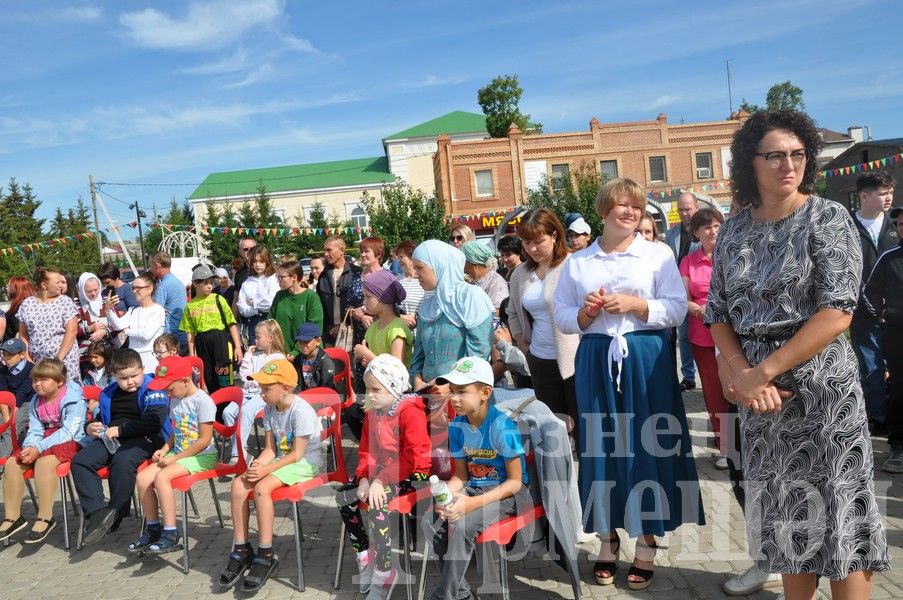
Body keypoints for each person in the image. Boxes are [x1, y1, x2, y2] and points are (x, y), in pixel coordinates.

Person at [706, 109, 889, 598]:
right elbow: (717, 310)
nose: (789, 164)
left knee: (842, 514)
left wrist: (760, 371)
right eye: (775, 155)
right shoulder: (733, 229)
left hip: (822, 389)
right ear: (751, 161)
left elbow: (838, 311)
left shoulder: (828, 218)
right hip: (762, 401)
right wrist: (741, 371)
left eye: (798, 154)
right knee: (788, 518)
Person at [553, 177, 702, 590]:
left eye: (637, 207)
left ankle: (648, 541)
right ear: (604, 210)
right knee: (602, 446)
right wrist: (584, 314)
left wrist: (638, 306)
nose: (631, 212)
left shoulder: (656, 254)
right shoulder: (579, 262)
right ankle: (606, 536)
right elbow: (562, 315)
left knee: (648, 444)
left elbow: (675, 309)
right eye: (622, 205)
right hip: (596, 357)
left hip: (645, 358)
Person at [423, 356, 529, 600]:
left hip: (508, 495)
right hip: (474, 489)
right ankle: (460, 594)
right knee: (431, 521)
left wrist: (470, 504)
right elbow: (461, 476)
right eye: (452, 391)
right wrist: (447, 495)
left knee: (461, 526)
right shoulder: (457, 426)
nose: (454, 398)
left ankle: (445, 596)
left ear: (485, 393)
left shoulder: (502, 426)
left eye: (462, 391)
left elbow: (515, 482)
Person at [218, 359, 322, 593]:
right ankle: (242, 549)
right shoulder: (268, 409)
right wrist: (257, 466)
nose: (261, 393)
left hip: (306, 461)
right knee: (238, 485)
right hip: (282, 460)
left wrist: (266, 470)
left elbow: (297, 453)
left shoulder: (301, 410)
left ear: (285, 388)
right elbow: (270, 450)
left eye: (266, 389)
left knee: (262, 488)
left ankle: (266, 553)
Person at [335, 355, 431, 597]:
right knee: (344, 498)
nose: (370, 395)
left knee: (379, 504)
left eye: (376, 389)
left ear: (393, 388)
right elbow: (366, 449)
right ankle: (365, 556)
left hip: (414, 473)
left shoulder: (411, 412)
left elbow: (411, 458)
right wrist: (365, 477)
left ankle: (384, 571)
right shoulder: (373, 411)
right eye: (367, 389)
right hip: (382, 473)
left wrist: (379, 481)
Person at [72, 348, 172, 546]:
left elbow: (154, 420)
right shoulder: (108, 393)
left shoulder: (153, 388)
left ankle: (116, 512)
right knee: (80, 461)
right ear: (114, 376)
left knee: (123, 460)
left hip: (148, 437)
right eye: (123, 378)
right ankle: (99, 514)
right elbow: (102, 418)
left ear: (143, 369)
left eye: (135, 375)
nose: (131, 381)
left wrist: (120, 430)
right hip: (112, 438)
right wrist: (90, 426)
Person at [128, 356, 217, 554]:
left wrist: (175, 458)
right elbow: (175, 434)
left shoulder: (203, 401)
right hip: (179, 453)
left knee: (162, 477)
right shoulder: (175, 399)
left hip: (203, 456)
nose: (167, 392)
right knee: (142, 478)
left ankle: (170, 532)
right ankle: (152, 527)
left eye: (169, 388)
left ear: (185, 381)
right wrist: (165, 450)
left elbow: (204, 440)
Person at [507, 208, 580, 435]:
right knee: (551, 433)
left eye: (539, 241)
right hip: (540, 360)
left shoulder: (573, 264)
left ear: (555, 235)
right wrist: (522, 342)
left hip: (575, 359)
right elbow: (513, 313)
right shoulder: (520, 273)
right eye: (527, 243)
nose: (533, 249)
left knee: (584, 429)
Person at [0, 359, 86, 544]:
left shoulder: (73, 399)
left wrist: (38, 448)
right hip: (43, 440)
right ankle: (13, 517)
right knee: (13, 463)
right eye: (35, 380)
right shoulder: (36, 401)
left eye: (43, 380)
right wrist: (30, 446)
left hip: (69, 440)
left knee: (44, 463)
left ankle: (46, 517)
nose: (37, 384)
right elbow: (35, 429)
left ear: (60, 381)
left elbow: (69, 431)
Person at [679, 207, 730, 470]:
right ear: (696, 233)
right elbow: (682, 298)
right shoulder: (689, 262)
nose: (713, 231)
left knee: (737, 390)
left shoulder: (733, 256)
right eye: (707, 227)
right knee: (714, 392)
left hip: (734, 335)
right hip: (703, 335)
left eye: (717, 225)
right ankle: (725, 448)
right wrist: (700, 309)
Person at [409, 240, 494, 392]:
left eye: (419, 268)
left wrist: (451, 386)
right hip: (430, 398)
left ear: (439, 264)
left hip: (463, 398)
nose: (415, 275)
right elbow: (419, 355)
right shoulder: (428, 305)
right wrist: (417, 380)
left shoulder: (470, 297)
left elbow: (479, 353)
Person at [849, 171, 898, 434]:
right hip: (861, 313)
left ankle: (894, 417)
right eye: (882, 193)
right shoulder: (846, 227)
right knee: (870, 366)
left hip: (895, 312)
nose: (889, 197)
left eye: (890, 191)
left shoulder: (895, 225)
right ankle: (876, 417)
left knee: (896, 364)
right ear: (864, 196)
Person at [863, 206, 903, 472]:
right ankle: (899, 445)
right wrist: (883, 314)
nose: (902, 228)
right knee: (900, 389)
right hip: (898, 336)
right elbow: (869, 292)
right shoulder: (890, 258)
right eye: (900, 224)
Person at [223, 319, 287, 464]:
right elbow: (246, 376)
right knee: (228, 412)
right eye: (255, 337)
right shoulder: (255, 355)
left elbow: (267, 381)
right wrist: (247, 357)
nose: (255, 340)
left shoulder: (277, 358)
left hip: (263, 394)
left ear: (270, 338)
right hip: (248, 392)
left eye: (259, 337)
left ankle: (236, 453)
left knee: (246, 412)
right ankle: (241, 449)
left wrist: (253, 380)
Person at [181, 265, 243, 397]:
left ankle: (229, 407)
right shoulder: (189, 306)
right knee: (209, 378)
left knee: (225, 376)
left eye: (211, 283)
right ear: (195, 284)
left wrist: (237, 347)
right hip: (202, 342)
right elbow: (190, 333)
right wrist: (193, 357)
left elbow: (232, 324)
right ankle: (216, 409)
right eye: (205, 283)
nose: (210, 286)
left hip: (220, 340)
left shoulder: (218, 299)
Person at [665, 191, 701, 391]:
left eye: (687, 209)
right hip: (680, 292)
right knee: (685, 336)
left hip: (701, 292)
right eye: (680, 210)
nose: (684, 213)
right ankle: (688, 376)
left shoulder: (703, 232)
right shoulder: (672, 234)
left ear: (696, 208)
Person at [18, 267, 80, 382]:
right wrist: (26, 356)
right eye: (58, 282)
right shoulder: (27, 304)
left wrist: (58, 359)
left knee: (65, 393)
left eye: (62, 282)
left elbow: (72, 331)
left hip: (63, 361)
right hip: (38, 363)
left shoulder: (65, 301)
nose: (61, 285)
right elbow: (23, 334)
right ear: (44, 285)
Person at [104, 273, 165, 373]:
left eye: (138, 288)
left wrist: (127, 331)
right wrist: (108, 310)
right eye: (133, 288)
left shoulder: (158, 310)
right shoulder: (133, 309)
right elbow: (118, 325)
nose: (134, 291)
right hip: (134, 358)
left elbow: (146, 335)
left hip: (151, 357)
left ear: (150, 289)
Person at [354, 270, 413, 368]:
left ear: (384, 297)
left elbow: (397, 370)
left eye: (368, 297)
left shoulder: (397, 330)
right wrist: (367, 362)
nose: (364, 302)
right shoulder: (373, 327)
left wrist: (367, 354)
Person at [268, 260, 323, 360]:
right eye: (277, 277)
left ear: (294, 277)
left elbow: (315, 327)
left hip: (308, 355)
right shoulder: (279, 296)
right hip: (282, 354)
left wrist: (296, 351)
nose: (278, 280)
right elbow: (270, 323)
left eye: (282, 277)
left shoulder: (311, 297)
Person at [316, 235, 364, 347]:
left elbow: (361, 303)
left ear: (341, 250)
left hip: (353, 332)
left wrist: (344, 325)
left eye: (329, 250)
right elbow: (320, 306)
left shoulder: (356, 273)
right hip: (330, 334)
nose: (326, 254)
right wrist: (330, 327)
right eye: (325, 250)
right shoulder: (323, 276)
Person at [236, 246, 279, 346]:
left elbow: (271, 302)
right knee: (255, 351)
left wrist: (253, 302)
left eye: (261, 261)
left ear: (267, 261)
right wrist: (257, 309)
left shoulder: (273, 279)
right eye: (255, 262)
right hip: (253, 323)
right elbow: (242, 307)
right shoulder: (247, 282)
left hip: (269, 321)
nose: (258, 265)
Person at [0, 338, 34, 458]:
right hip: (8, 404)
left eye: (10, 355)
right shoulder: (3, 371)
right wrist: (6, 417)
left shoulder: (31, 369)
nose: (6, 359)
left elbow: (23, 392)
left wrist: (11, 417)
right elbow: (2, 393)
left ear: (22, 354)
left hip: (26, 403)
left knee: (11, 428)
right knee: (4, 424)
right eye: (4, 355)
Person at [149, 251, 188, 354]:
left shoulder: (163, 286)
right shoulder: (177, 281)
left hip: (171, 336)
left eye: (151, 266)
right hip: (182, 333)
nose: (150, 269)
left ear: (157, 265)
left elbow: (155, 312)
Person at [462, 240, 509, 312]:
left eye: (463, 261)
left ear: (473, 262)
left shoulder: (496, 283)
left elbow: (497, 312)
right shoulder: (471, 281)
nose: (461, 265)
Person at [292, 323, 338, 392]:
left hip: (321, 399)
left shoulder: (326, 362)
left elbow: (328, 389)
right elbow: (297, 384)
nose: (303, 345)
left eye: (306, 341)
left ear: (318, 341)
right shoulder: (298, 360)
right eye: (300, 342)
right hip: (303, 399)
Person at [392, 241, 426, 329]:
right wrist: (401, 317)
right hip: (401, 334)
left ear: (412, 257)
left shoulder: (425, 279)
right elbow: (388, 307)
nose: (399, 261)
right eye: (398, 257)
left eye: (401, 257)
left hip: (422, 334)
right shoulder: (396, 281)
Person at [3, 276, 34, 343]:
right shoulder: (29, 306)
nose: (6, 288)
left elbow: (19, 334)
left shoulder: (19, 309)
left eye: (9, 286)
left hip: (12, 349)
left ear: (17, 288)